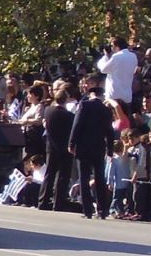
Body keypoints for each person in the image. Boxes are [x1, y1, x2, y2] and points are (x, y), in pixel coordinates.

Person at [69, 79, 116, 219]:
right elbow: (110, 131)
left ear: (91, 94)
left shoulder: (84, 105)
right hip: (99, 146)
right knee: (99, 177)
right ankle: (102, 210)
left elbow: (76, 125)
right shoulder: (106, 109)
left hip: (83, 146)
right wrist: (110, 149)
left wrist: (71, 143)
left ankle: (87, 209)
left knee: (84, 177)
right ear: (101, 96)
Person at [38, 89, 75, 212]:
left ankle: (42, 201)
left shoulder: (48, 111)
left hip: (50, 147)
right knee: (63, 176)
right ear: (66, 100)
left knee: (49, 174)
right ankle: (58, 202)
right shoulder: (69, 116)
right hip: (64, 148)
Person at [96, 37, 137, 109]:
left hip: (114, 95)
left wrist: (106, 56)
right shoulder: (133, 56)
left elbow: (103, 69)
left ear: (117, 46)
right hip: (127, 96)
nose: (111, 48)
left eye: (112, 46)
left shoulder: (116, 57)